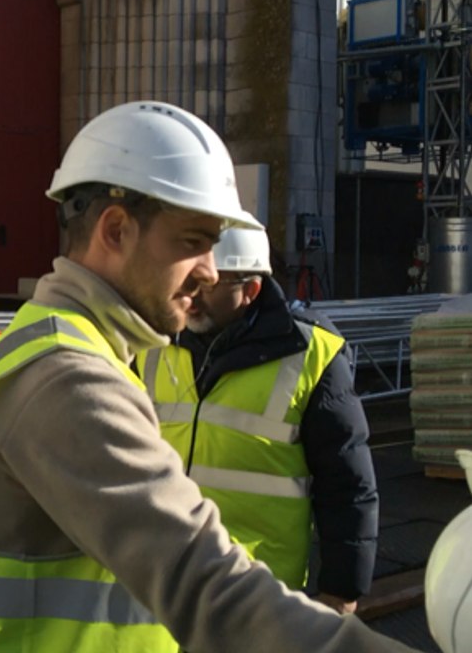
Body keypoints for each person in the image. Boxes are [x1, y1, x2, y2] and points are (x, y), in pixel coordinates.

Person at [0, 101, 415, 652]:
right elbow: (202, 579)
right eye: (194, 242)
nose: (210, 271)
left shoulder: (78, 347)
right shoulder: (66, 377)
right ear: (115, 230)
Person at [137, 227, 378, 615]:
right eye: (188, 278)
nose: (192, 295)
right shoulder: (152, 345)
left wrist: (341, 589)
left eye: (209, 283)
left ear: (250, 291)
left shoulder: (311, 356)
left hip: (258, 590)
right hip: (160, 578)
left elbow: (347, 484)